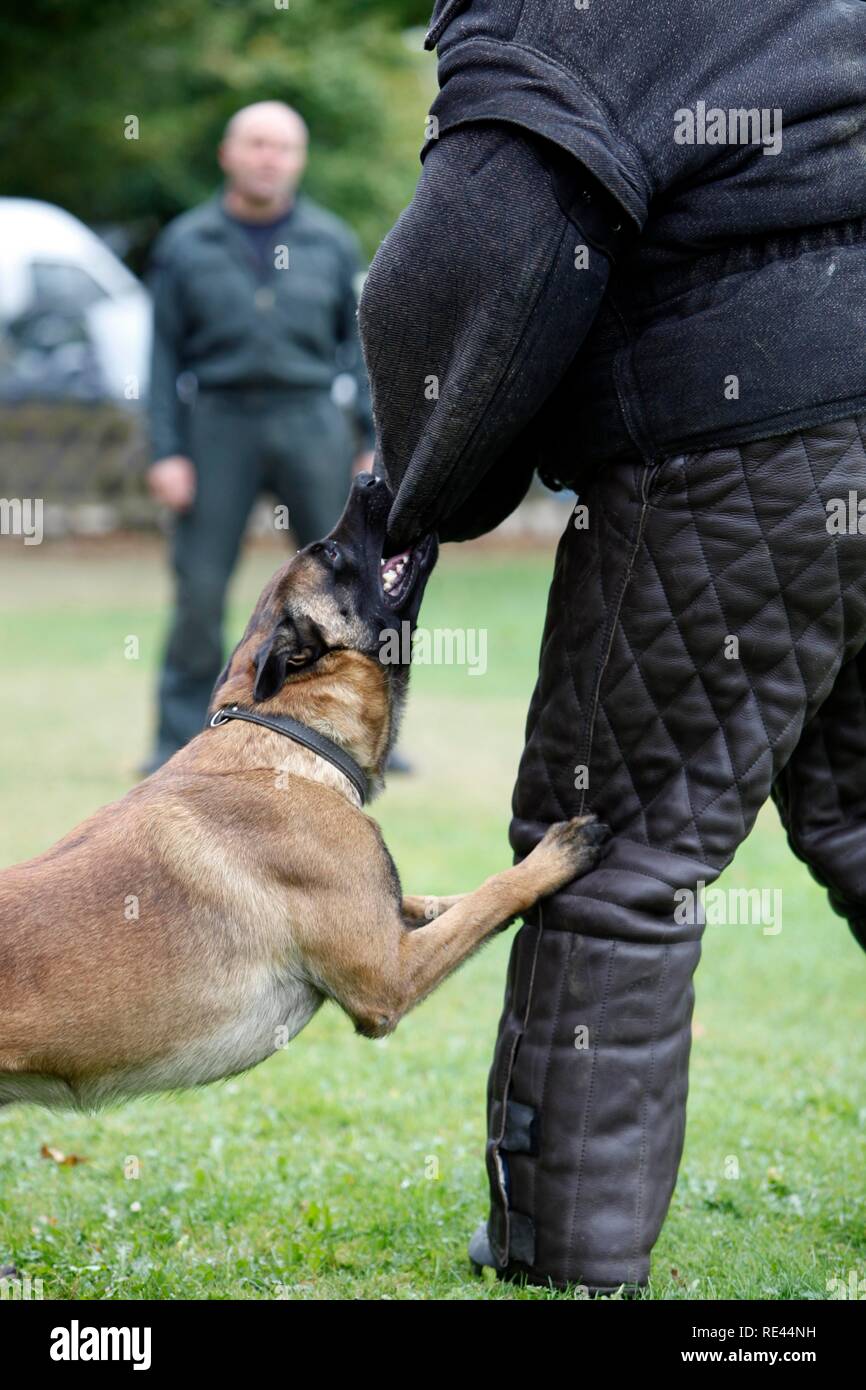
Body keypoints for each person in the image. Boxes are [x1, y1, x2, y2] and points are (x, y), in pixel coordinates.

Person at [356, 0, 866, 1294]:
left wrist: (416, 497)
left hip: (739, 456)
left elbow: (472, 259)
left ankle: (563, 1252)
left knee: (612, 854)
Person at [142, 101, 375, 773]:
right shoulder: (186, 243)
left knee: (344, 590)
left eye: (283, 147)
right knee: (200, 588)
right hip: (217, 423)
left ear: (299, 159)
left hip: (310, 421)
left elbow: (358, 347)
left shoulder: (331, 241)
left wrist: (369, 436)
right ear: (228, 154)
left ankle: (359, 722)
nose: (268, 157)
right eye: (256, 144)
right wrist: (166, 450)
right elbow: (160, 357)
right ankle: (177, 735)